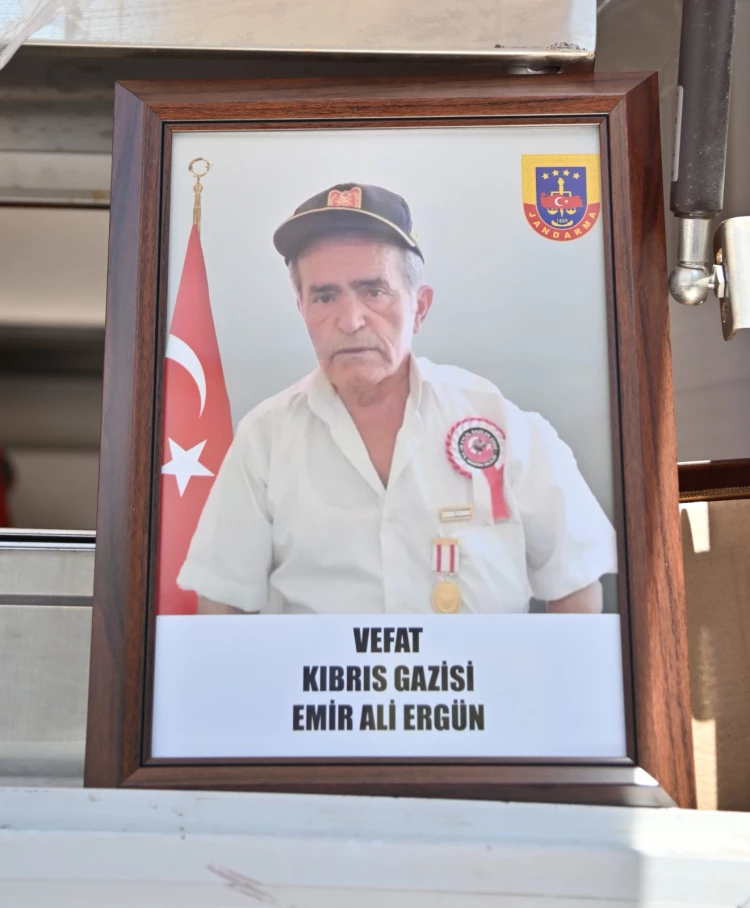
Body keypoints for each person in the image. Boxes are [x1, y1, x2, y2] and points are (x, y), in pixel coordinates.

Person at [177, 182, 617, 615]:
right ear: (302, 308)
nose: (350, 320)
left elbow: (574, 582)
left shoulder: (500, 422)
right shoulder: (265, 439)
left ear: (419, 307)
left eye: (374, 291)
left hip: (482, 668)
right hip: (315, 669)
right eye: (325, 296)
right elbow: (221, 603)